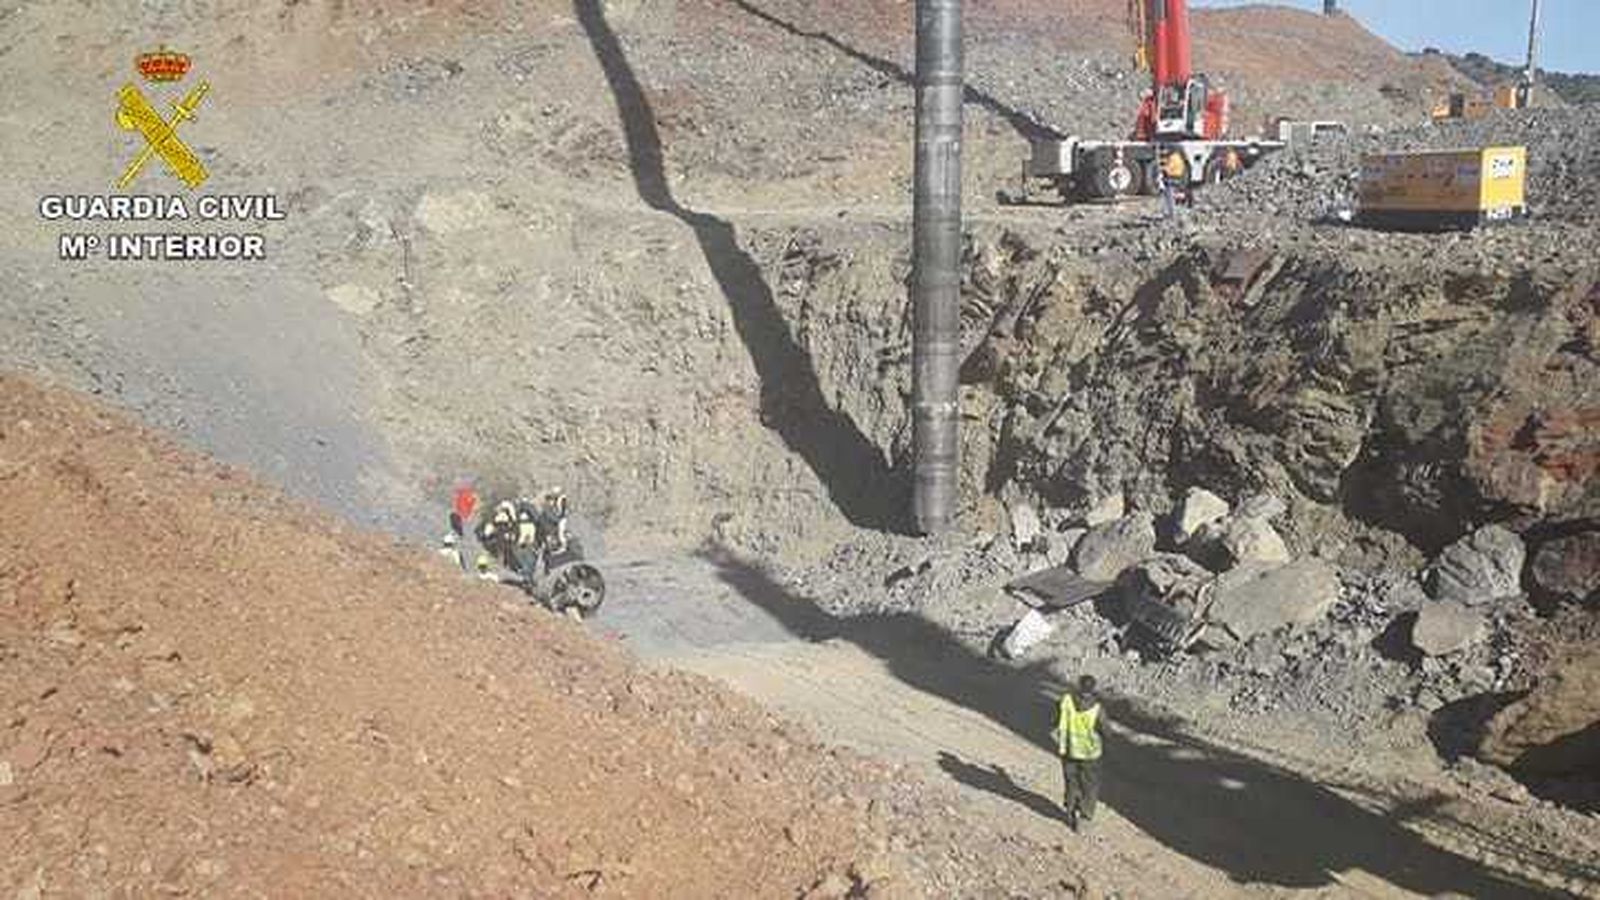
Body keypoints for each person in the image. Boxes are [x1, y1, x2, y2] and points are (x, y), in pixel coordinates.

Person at [1056, 675, 1105, 833]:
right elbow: (1106, 730)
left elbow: (1056, 719)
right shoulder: (1097, 708)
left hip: (1069, 749)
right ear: (1093, 689)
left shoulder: (1066, 701)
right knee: (1089, 785)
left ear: (1078, 686)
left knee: (1071, 781)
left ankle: (1070, 810)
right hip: (1090, 754)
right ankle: (1085, 817)